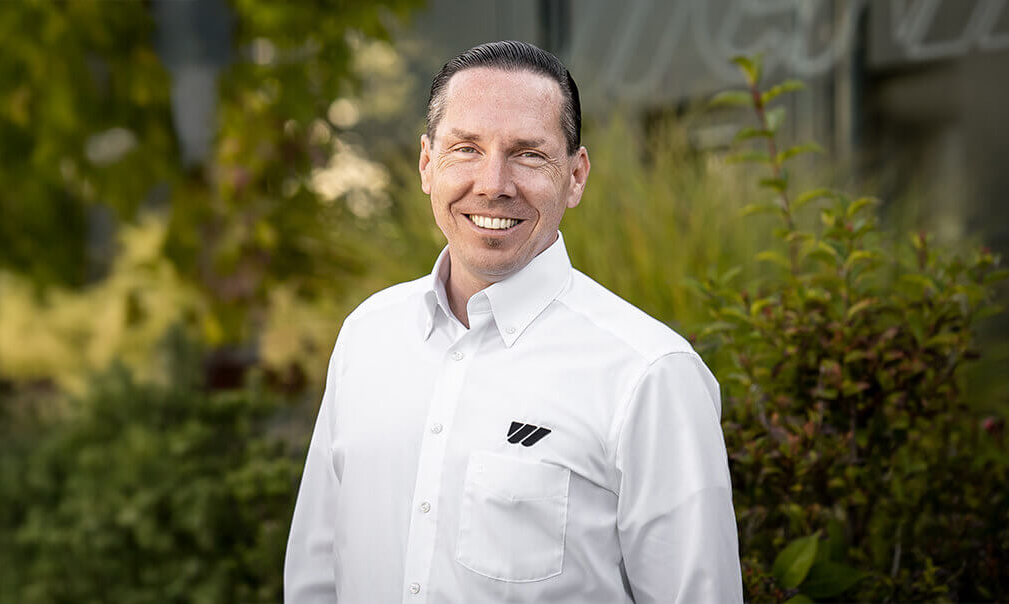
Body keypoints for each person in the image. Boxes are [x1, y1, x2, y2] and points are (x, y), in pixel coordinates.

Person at [284, 40, 742, 603]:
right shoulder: (367, 336)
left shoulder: (649, 374)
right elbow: (314, 575)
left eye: (528, 154)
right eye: (466, 149)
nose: (493, 183)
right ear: (428, 164)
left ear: (576, 176)